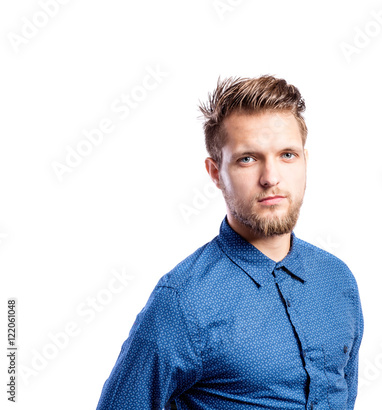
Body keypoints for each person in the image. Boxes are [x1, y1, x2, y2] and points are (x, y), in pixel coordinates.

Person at [96, 75, 364, 409]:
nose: (271, 177)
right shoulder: (182, 302)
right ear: (215, 172)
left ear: (305, 160)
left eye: (287, 155)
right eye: (247, 159)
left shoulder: (337, 280)